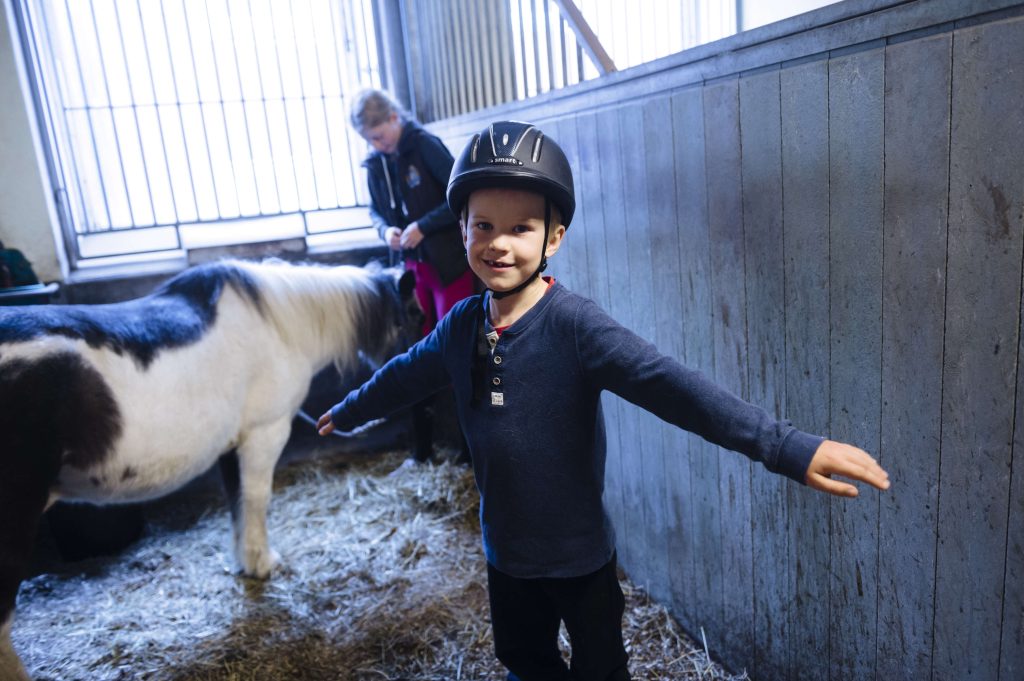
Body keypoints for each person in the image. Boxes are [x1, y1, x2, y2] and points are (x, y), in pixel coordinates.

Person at [319, 121, 891, 681]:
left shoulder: (574, 326)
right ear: (461, 226)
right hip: (505, 555)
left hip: (579, 557)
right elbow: (402, 377)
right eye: (483, 224)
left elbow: (672, 385)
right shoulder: (461, 327)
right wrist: (348, 411)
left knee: (602, 667)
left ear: (554, 237)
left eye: (520, 228)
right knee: (523, 660)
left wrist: (785, 446)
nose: (497, 244)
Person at [350, 88, 476, 464]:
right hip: (412, 270)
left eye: (379, 135)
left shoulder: (425, 147)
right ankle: (422, 450)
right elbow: (375, 213)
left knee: (457, 350)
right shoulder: (376, 165)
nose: (376, 144)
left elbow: (461, 192)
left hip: (448, 264)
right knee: (417, 356)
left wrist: (424, 225)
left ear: (394, 118)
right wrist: (384, 231)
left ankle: (471, 451)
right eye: (369, 139)